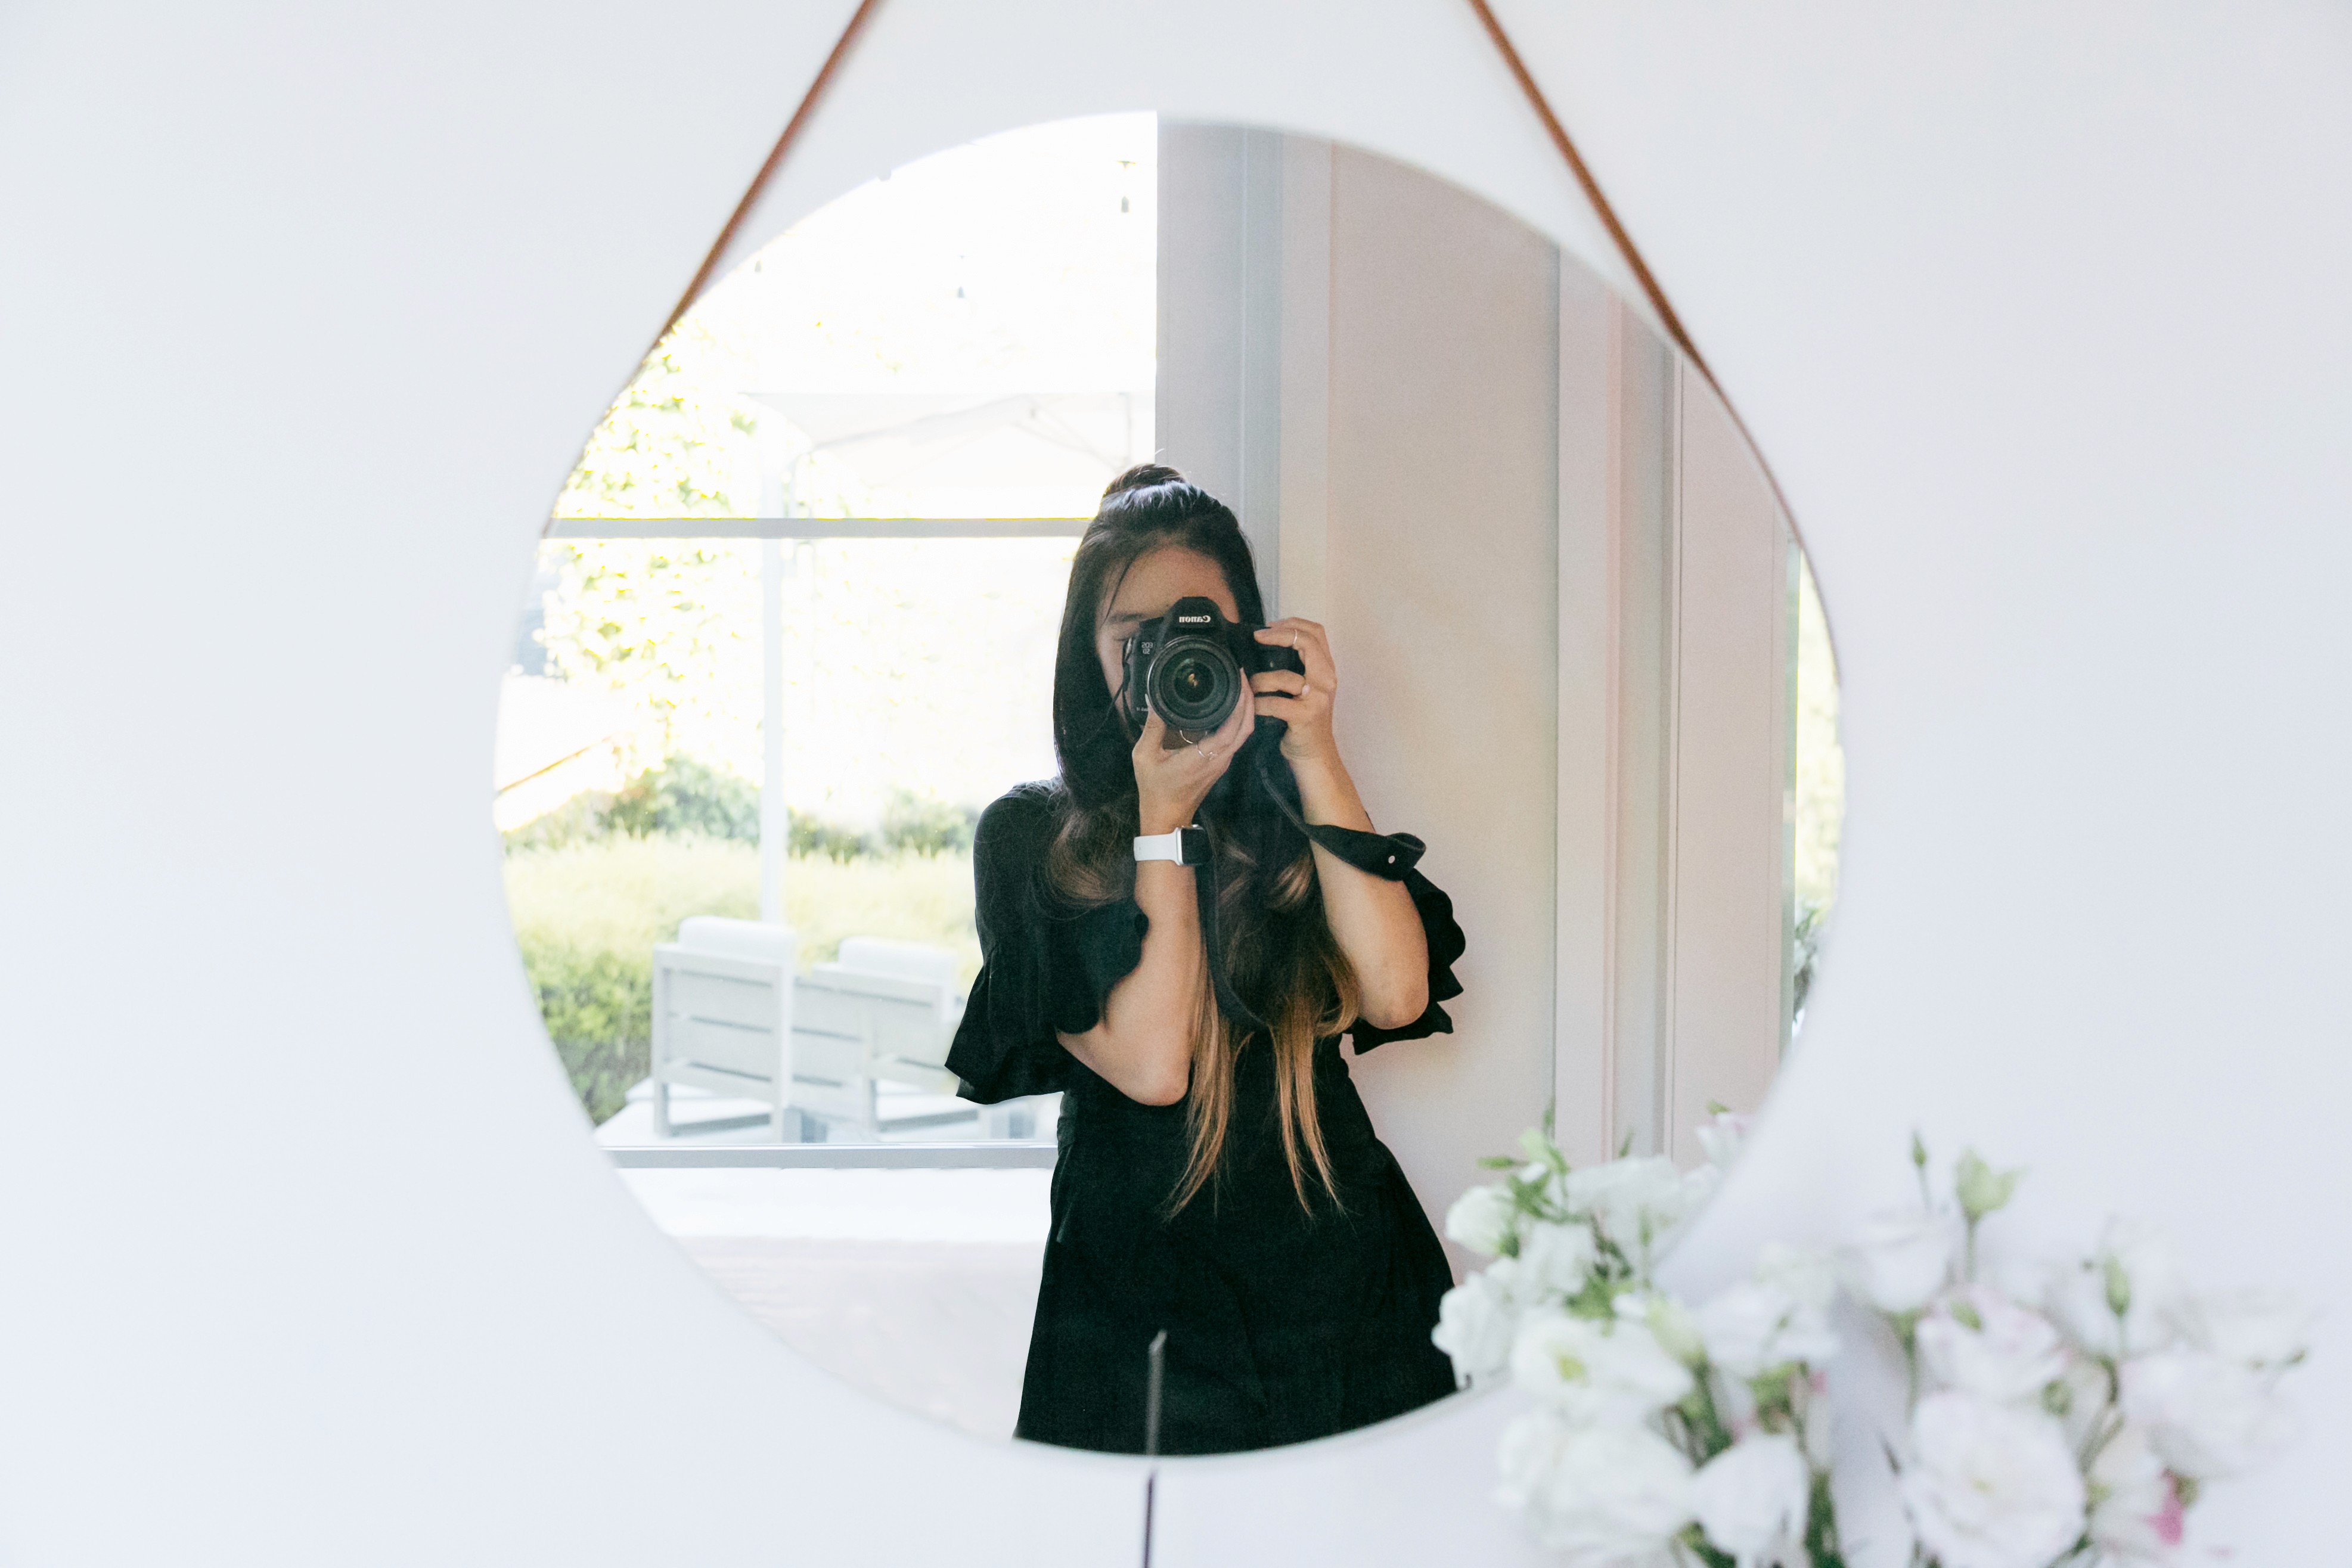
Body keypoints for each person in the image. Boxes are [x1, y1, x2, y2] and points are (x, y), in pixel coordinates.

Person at [945, 463, 1467, 1455]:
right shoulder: (1029, 836)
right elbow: (1153, 1066)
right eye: (1135, 636)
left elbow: (1397, 996)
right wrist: (1161, 824)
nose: (1172, 655)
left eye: (1201, 628)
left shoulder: (1293, 815)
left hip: (1342, 1284)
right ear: (1089, 651)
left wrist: (1314, 751)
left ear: (1249, 639)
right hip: (1133, 1300)